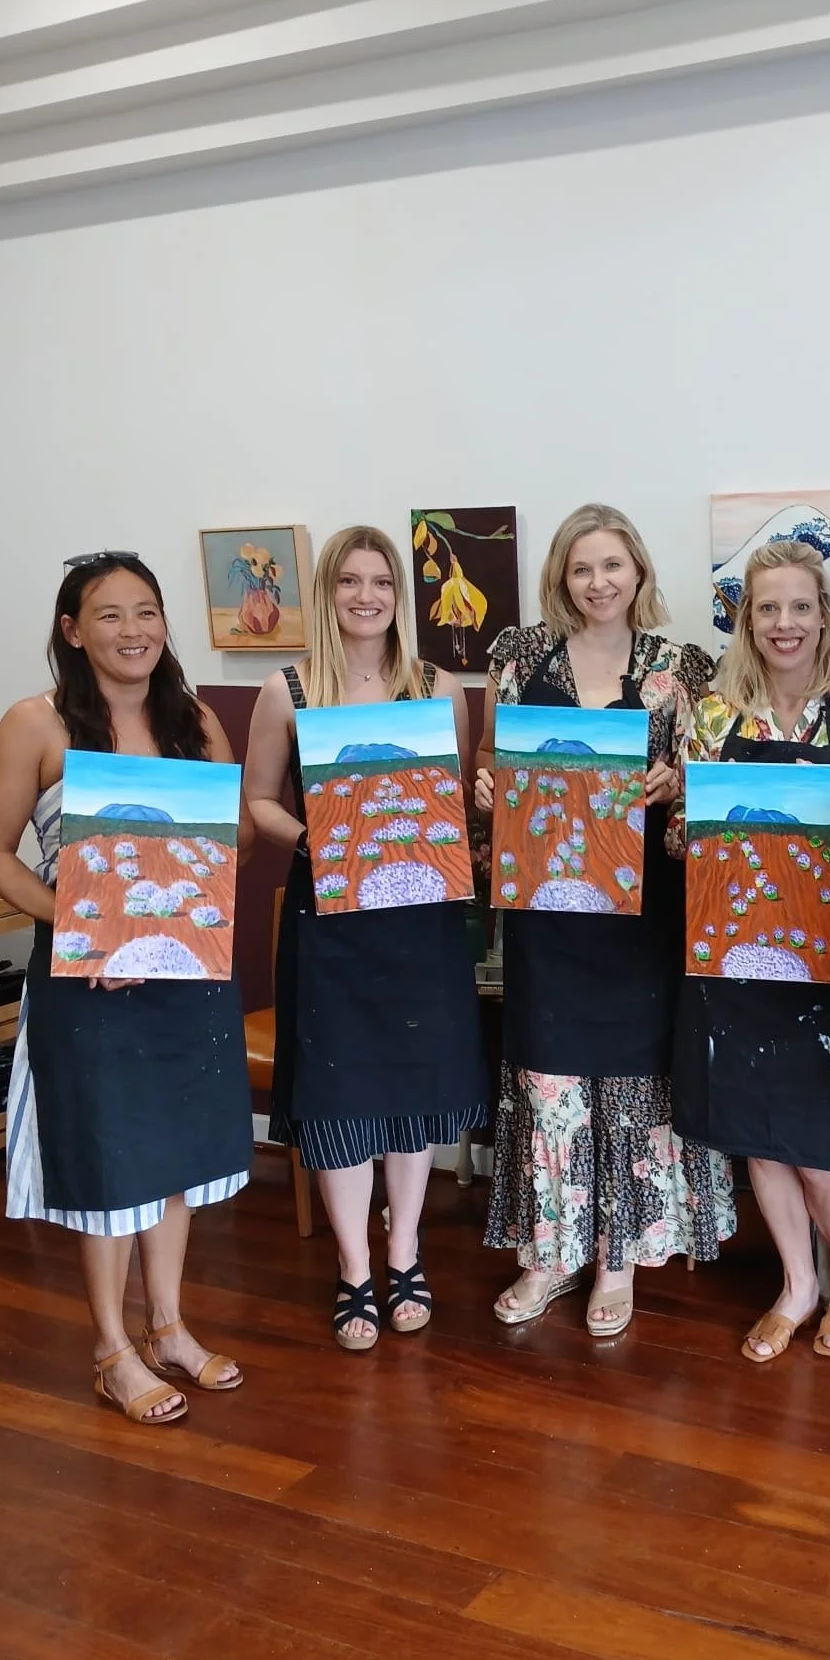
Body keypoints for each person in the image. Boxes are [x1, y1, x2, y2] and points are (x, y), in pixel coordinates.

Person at [0, 553, 251, 1425]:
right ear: (72, 630)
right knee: (110, 1162)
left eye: (147, 611)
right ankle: (110, 1350)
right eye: (110, 614)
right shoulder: (36, 723)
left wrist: (207, 853)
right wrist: (80, 926)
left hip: (187, 975)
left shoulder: (194, 719)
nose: (134, 631)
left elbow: (235, 835)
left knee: (178, 1159)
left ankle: (168, 1327)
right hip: (89, 981)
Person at [473, 504, 732, 1336]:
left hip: (640, 913)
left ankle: (616, 1258)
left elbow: (704, 779)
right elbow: (491, 757)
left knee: (628, 1079)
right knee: (546, 1075)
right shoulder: (519, 657)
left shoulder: (678, 667)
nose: (598, 582)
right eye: (582, 567)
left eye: (612, 565)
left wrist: (676, 783)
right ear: (562, 576)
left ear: (639, 571)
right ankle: (550, 1254)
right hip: (545, 910)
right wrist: (486, 785)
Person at [246, 526, 487, 1349]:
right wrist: (318, 841)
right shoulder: (288, 689)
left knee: (413, 1088)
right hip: (331, 923)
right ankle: (355, 1267)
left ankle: (405, 1251)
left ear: (399, 595)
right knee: (340, 1093)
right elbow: (259, 802)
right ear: (327, 594)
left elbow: (451, 800)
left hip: (421, 922)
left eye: (381, 581)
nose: (366, 596)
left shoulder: (437, 686)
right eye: (349, 581)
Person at [672, 541, 830, 1361]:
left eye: (801, 606)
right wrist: (685, 826)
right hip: (735, 948)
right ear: (747, 620)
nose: (784, 623)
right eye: (768, 608)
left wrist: (826, 803)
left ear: (823, 614)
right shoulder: (715, 713)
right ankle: (796, 1285)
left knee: (824, 1140)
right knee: (758, 1129)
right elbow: (682, 834)